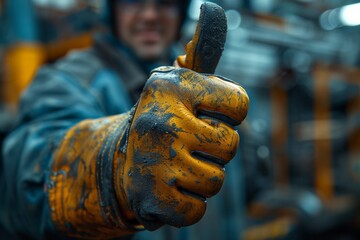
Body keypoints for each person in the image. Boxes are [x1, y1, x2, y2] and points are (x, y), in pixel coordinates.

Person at [0, 0, 249, 239]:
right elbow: (25, 180)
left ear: (181, 12)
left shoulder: (206, 86)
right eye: (132, 1)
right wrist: (116, 164)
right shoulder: (67, 81)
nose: (150, 15)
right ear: (112, 10)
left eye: (166, 2)